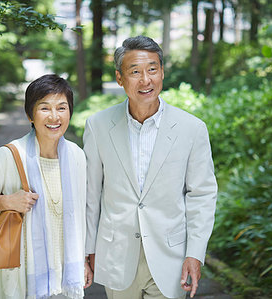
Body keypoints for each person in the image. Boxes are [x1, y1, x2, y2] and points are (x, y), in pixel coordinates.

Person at [83, 36, 218, 299]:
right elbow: (90, 194)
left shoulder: (192, 128)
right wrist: (87, 250)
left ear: (162, 72)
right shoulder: (97, 126)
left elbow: (202, 195)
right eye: (135, 72)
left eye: (152, 69)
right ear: (120, 78)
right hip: (117, 255)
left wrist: (195, 253)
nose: (146, 80)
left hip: (172, 257)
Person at [0, 74, 93, 298]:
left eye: (62, 108)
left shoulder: (76, 156)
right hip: (22, 274)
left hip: (66, 274)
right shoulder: (9, 155)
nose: (54, 116)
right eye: (44, 108)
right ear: (30, 115)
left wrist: (83, 260)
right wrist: (6, 201)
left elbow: (81, 215)